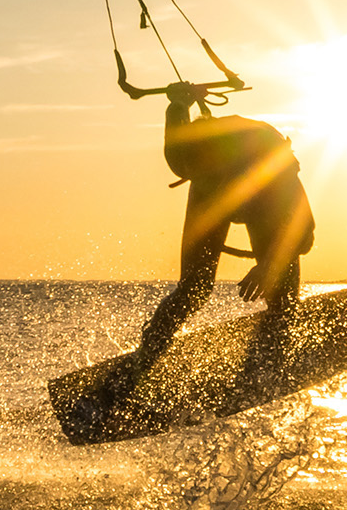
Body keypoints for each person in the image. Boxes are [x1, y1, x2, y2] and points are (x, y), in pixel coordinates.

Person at [135, 82, 316, 356]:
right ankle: (150, 349)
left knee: (281, 290)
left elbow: (304, 234)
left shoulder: (274, 167)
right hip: (215, 188)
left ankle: (283, 333)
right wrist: (180, 102)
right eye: (203, 177)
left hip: (264, 201)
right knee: (194, 289)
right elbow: (179, 122)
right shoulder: (185, 157)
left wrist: (269, 264)